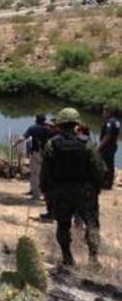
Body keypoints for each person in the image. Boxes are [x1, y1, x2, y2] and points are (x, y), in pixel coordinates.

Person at [40, 108, 104, 267]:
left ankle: (67, 258)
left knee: (63, 224)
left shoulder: (51, 144)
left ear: (60, 125)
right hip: (85, 190)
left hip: (61, 191)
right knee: (91, 224)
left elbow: (46, 170)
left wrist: (45, 189)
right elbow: (98, 169)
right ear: (77, 124)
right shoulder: (87, 143)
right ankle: (93, 259)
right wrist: (97, 187)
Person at [14, 114, 51, 199]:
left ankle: (36, 194)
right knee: (45, 173)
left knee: (35, 173)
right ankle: (45, 193)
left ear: (36, 120)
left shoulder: (33, 128)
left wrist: (15, 144)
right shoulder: (48, 129)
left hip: (36, 152)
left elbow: (23, 138)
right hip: (46, 154)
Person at [97, 106, 119, 190]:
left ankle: (106, 183)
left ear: (108, 113)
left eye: (104, 112)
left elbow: (108, 135)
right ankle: (108, 183)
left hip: (107, 146)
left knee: (105, 165)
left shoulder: (110, 122)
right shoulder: (116, 121)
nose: (103, 114)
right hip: (112, 145)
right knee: (110, 164)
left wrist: (99, 147)